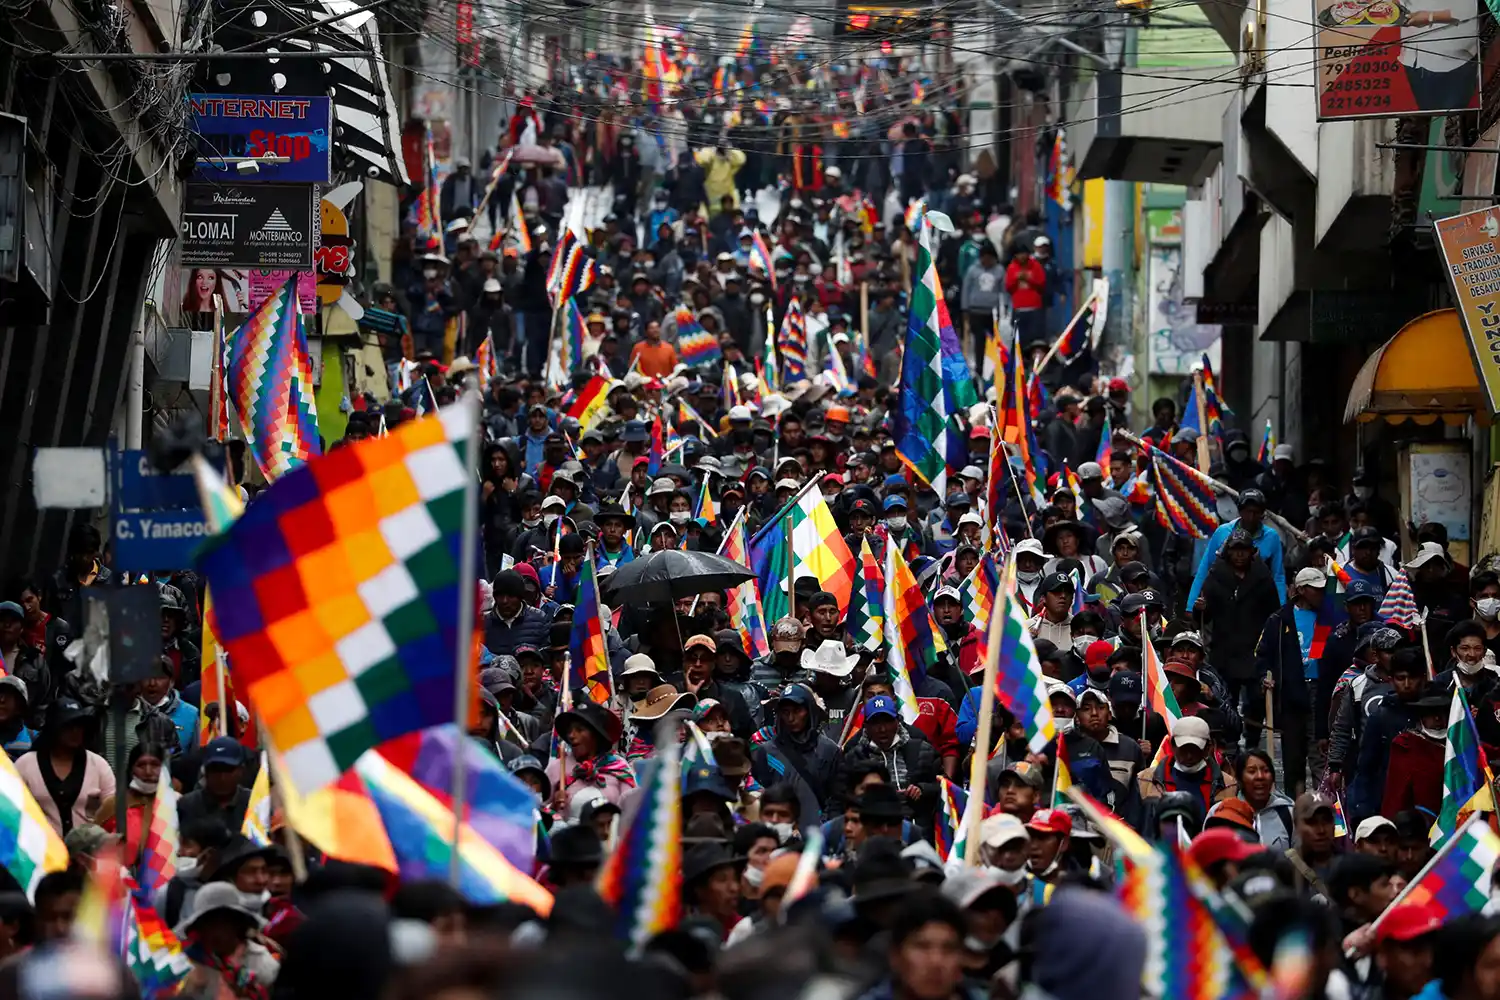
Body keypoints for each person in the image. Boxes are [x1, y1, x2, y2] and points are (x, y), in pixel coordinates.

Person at [1255, 566, 1331, 795]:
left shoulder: (1327, 617)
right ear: (1302, 590)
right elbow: (1262, 654)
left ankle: (1324, 805)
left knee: (1320, 753)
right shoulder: (1279, 620)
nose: (1320, 594)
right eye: (1315, 589)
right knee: (1293, 758)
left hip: (1320, 692)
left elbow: (1320, 653)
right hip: (1291, 693)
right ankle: (1293, 807)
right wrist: (1264, 677)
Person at [15, 698, 114, 837]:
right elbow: (12, 811)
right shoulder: (25, 765)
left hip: (87, 851)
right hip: (42, 853)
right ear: (53, 727)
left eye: (79, 725)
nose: (75, 731)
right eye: (68, 725)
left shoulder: (99, 765)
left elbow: (112, 812)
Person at [93, 740, 167, 863]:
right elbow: (94, 843)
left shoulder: (174, 803)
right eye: (141, 765)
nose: (148, 772)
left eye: (155, 765)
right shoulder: (114, 804)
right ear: (131, 770)